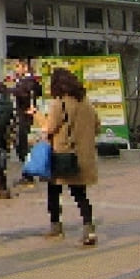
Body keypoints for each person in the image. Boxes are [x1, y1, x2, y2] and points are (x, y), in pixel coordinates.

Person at [39, 65, 100, 246]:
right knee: (80, 193)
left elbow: (50, 128)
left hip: (63, 154)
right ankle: (89, 228)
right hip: (83, 155)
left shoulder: (60, 103)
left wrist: (37, 117)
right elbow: (97, 127)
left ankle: (56, 226)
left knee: (54, 190)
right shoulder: (86, 103)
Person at [11, 61, 41, 180]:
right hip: (23, 116)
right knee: (21, 145)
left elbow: (23, 94)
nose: (16, 69)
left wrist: (4, 87)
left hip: (26, 117)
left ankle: (29, 173)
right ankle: (28, 172)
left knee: (23, 145)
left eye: (18, 66)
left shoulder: (29, 82)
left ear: (25, 68)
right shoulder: (25, 81)